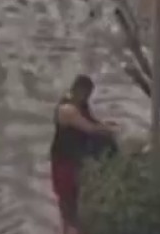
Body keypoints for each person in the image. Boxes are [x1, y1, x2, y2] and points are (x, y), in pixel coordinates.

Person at [49, 74, 119, 225]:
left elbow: (92, 121)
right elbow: (90, 128)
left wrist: (105, 124)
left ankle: (79, 227)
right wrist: (108, 129)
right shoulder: (67, 110)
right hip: (64, 160)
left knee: (78, 194)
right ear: (78, 91)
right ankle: (69, 231)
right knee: (66, 198)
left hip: (78, 157)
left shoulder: (82, 105)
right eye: (86, 94)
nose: (87, 98)